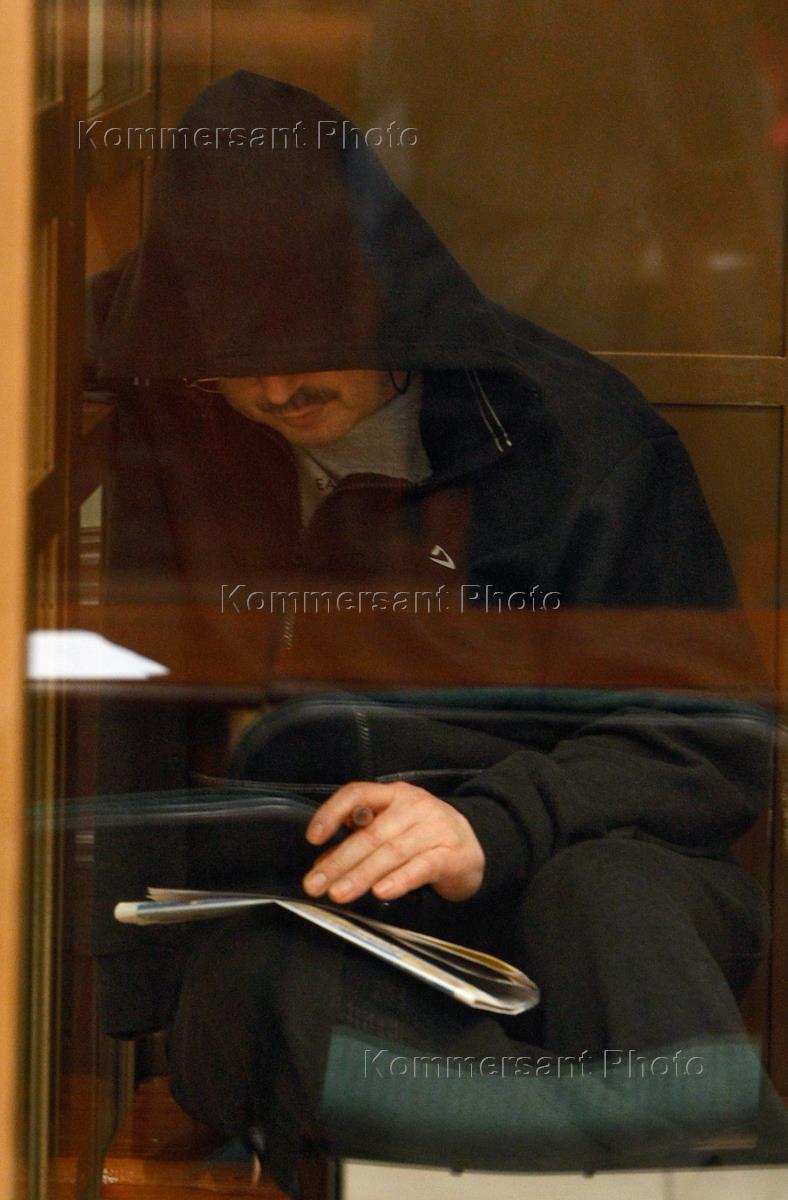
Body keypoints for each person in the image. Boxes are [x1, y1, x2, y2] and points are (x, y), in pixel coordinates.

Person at [89, 71, 784, 1184]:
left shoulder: (578, 438)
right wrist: (131, 998)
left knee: (611, 901)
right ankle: (687, 1162)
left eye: (306, 342)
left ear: (387, 303)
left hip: (566, 861)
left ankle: (664, 1159)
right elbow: (126, 718)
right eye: (232, 357)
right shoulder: (171, 425)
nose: (272, 389)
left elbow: (707, 743)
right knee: (295, 983)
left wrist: (487, 826)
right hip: (308, 917)